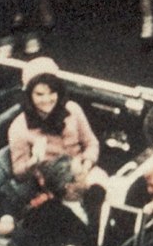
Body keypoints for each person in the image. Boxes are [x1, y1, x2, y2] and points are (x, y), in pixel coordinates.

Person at [6, 57, 100, 186]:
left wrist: (86, 165)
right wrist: (34, 162)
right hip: (55, 186)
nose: (47, 100)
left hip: (86, 172)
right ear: (29, 95)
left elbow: (91, 143)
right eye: (39, 94)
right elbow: (19, 173)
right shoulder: (18, 128)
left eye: (52, 93)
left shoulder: (73, 109)